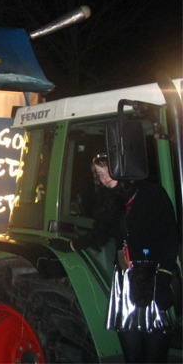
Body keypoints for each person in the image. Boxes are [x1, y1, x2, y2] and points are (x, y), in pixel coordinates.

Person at [51, 153, 178, 363]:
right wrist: (72, 245)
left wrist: (163, 276)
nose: (104, 178)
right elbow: (99, 234)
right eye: (99, 174)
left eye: (107, 170)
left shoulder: (151, 193)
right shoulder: (111, 202)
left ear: (121, 167)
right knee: (130, 345)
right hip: (126, 280)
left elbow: (169, 237)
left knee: (155, 346)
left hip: (152, 277)